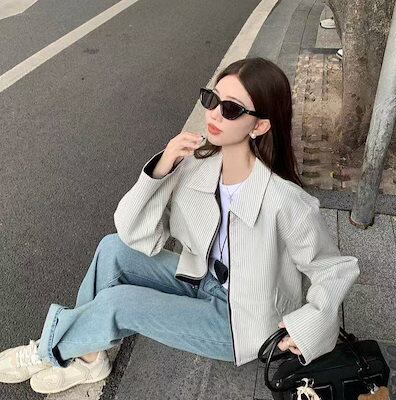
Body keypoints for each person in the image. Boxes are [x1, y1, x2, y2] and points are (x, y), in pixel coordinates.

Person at [0, 57, 360, 394]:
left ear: (260, 125)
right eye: (212, 99)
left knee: (121, 304)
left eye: (231, 109)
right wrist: (164, 165)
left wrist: (306, 326)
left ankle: (47, 350)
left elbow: (335, 268)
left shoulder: (284, 200)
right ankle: (89, 357)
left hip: (243, 321)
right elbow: (132, 231)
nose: (214, 114)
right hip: (201, 278)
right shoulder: (198, 165)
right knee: (112, 249)